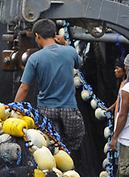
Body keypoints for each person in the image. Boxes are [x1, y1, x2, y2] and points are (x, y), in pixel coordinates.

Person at [14, 19, 85, 152]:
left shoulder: (35, 58)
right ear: (54, 34)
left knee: (50, 147)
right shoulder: (69, 51)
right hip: (69, 109)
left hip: (47, 110)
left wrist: (14, 109)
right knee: (71, 147)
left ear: (37, 36)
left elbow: (24, 88)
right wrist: (66, 44)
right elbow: (79, 64)